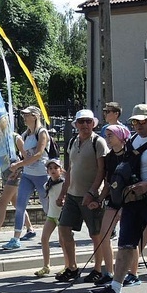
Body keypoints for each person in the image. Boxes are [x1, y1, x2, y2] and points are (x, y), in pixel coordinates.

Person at [88, 104, 147, 293]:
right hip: (134, 201)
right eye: (134, 121)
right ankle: (115, 289)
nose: (137, 124)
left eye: (141, 121)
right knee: (125, 243)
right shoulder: (134, 141)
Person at [55, 109, 108, 283]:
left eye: (88, 121)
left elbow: (102, 170)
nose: (85, 125)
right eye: (81, 122)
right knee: (63, 229)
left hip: (90, 196)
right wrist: (63, 192)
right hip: (72, 194)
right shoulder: (72, 141)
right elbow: (70, 169)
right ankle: (72, 268)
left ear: (93, 123)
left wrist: (92, 192)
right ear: (76, 124)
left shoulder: (98, 142)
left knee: (96, 233)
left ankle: (98, 269)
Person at [94, 124, 141, 285]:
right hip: (113, 201)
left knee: (129, 239)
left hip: (130, 202)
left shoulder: (132, 155)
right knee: (103, 235)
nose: (107, 139)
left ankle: (133, 274)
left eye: (110, 135)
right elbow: (108, 182)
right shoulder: (109, 158)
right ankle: (109, 272)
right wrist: (99, 199)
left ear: (120, 136)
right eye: (106, 135)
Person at [2, 106, 49, 250]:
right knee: (20, 206)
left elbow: (38, 155)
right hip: (28, 175)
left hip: (42, 174)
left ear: (35, 116)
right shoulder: (25, 134)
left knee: (48, 207)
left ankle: (63, 233)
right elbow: (26, 156)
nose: (24, 117)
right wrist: (18, 170)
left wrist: (18, 165)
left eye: (27, 115)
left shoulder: (42, 132)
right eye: (23, 115)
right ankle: (16, 239)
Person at [0, 130, 34, 246]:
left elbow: (27, 157)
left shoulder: (15, 138)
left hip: (15, 174)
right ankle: (30, 229)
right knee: (16, 204)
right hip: (6, 173)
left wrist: (18, 169)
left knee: (2, 203)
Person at [34, 158, 65, 277]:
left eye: (56, 168)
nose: (53, 170)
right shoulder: (47, 184)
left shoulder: (63, 183)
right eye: (50, 168)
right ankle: (46, 266)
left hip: (61, 216)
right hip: (51, 215)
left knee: (63, 241)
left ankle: (68, 265)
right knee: (44, 238)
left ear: (61, 170)